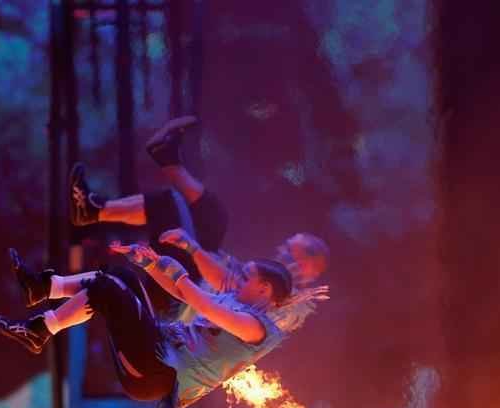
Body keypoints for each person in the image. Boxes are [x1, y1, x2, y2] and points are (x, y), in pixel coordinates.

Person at [66, 115, 331, 330]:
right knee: (214, 217)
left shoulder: (279, 301)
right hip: (187, 286)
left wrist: (192, 248)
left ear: (305, 265)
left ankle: (93, 210)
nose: (280, 251)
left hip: (178, 305)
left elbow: (223, 285)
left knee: (170, 204)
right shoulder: (266, 282)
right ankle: (164, 158)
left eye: (288, 252)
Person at [0, 245, 293, 408]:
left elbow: (205, 306)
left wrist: (179, 272)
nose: (237, 280)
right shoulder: (236, 302)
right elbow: (185, 294)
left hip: (155, 376)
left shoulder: (258, 329)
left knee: (109, 289)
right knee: (121, 277)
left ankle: (40, 328)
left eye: (246, 278)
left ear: (264, 290)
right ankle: (42, 291)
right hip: (156, 349)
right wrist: (151, 264)